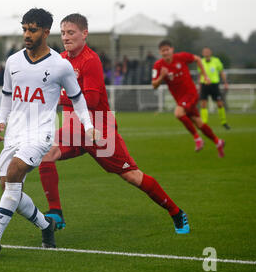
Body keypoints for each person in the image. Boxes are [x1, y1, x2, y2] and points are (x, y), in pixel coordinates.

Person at [38, 13, 190, 236]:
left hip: (99, 128)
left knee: (132, 176)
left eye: (71, 32)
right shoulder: (60, 60)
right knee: (45, 153)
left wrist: (59, 98)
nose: (66, 37)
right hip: (73, 126)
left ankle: (175, 211)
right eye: (62, 33)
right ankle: (56, 212)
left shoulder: (91, 61)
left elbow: (90, 100)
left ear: (84, 34)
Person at [0, 8, 98, 256]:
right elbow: (7, 95)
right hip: (15, 131)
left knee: (15, 171)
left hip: (41, 132)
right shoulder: (13, 62)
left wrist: (89, 127)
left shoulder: (60, 65)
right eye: (24, 29)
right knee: (9, 188)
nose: (27, 34)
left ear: (46, 32)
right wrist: (0, 122)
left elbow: (77, 98)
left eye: (32, 29)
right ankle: (46, 225)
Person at [152, 40, 225, 157]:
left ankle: (197, 139)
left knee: (178, 113)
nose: (165, 52)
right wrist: (162, 76)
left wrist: (205, 76)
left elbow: (197, 59)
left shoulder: (181, 57)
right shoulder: (158, 66)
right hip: (180, 98)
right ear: (160, 52)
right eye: (163, 50)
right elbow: (154, 85)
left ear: (172, 49)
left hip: (191, 93)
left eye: (167, 49)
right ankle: (218, 142)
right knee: (198, 122)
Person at [197, 47, 230, 129]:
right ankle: (204, 123)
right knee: (203, 104)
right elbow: (200, 74)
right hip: (204, 84)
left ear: (210, 52)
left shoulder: (216, 60)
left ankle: (224, 122)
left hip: (214, 85)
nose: (206, 53)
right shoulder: (200, 61)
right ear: (202, 53)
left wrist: (225, 82)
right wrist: (199, 86)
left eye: (208, 51)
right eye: (205, 51)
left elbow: (221, 72)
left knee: (220, 103)